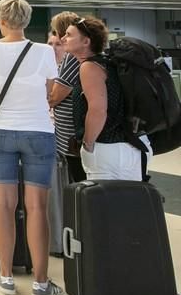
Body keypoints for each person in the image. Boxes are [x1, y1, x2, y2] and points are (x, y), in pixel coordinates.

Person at [0, 0, 61, 295]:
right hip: (38, 131)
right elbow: (51, 90)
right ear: (26, 20)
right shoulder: (45, 51)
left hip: (2, 134)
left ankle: (6, 276)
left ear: (0, 20)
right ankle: (41, 283)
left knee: (4, 205)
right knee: (37, 207)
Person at [62, 16, 152, 181]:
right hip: (129, 146)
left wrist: (87, 145)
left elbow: (98, 110)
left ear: (86, 42)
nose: (63, 38)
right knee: (127, 204)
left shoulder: (89, 67)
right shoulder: (108, 64)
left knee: (105, 204)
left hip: (108, 149)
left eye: (69, 35)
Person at [47, 12, 86, 183]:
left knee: (78, 180)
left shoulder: (72, 58)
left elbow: (56, 96)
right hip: (70, 135)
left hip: (72, 136)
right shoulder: (74, 57)